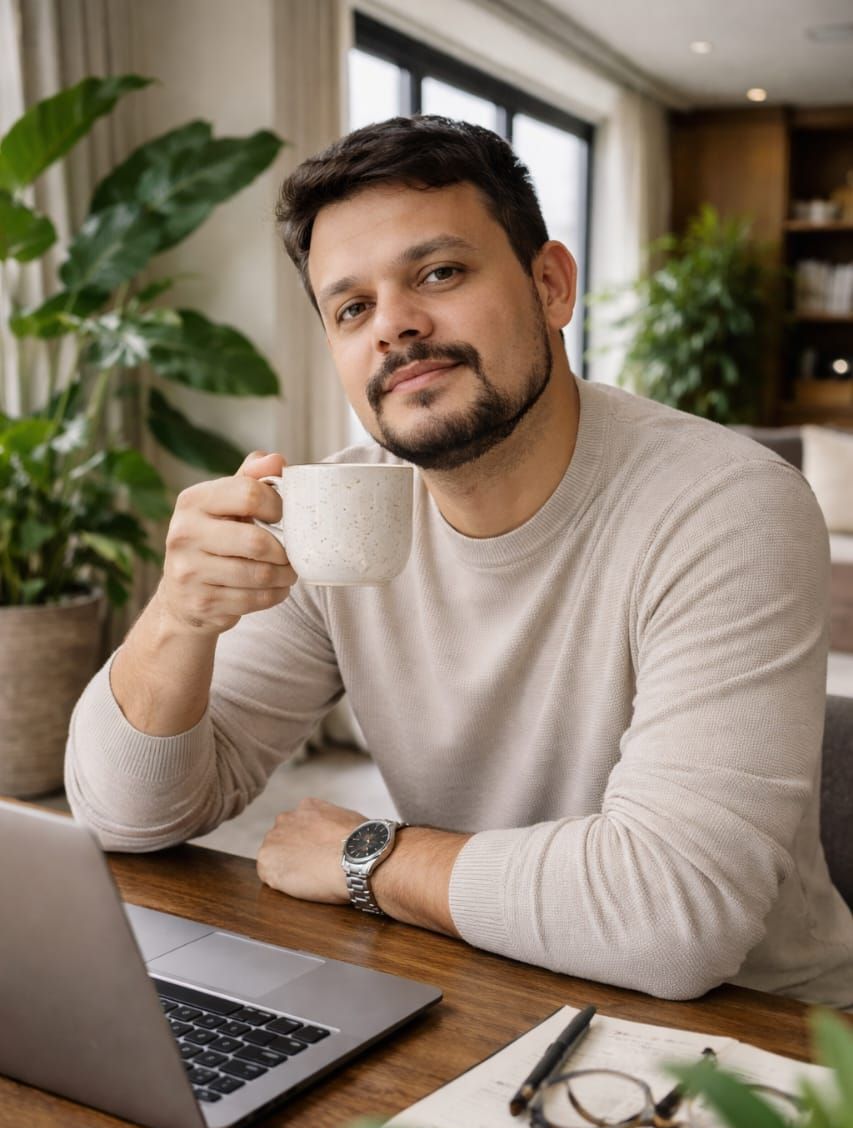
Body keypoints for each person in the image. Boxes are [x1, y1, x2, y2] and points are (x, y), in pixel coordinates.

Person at [66, 115, 853, 1006]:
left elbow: (676, 918)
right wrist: (178, 616)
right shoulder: (342, 512)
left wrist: (372, 855)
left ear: (550, 285)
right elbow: (127, 818)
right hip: (478, 980)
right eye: (352, 307)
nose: (394, 326)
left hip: (756, 1048)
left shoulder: (723, 505)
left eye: (438, 272)